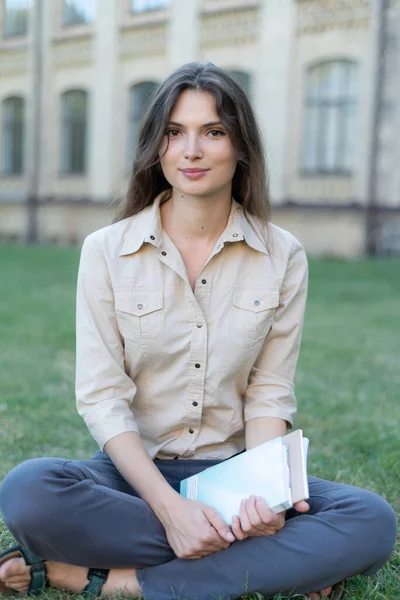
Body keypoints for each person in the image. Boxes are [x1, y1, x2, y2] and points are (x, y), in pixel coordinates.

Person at [0, 63, 396, 600]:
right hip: (132, 479)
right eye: (174, 132)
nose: (191, 151)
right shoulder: (106, 251)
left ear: (240, 147)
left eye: (213, 132)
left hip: (234, 473)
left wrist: (263, 498)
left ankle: (115, 582)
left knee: (370, 520)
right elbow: (101, 396)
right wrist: (171, 508)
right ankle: (277, 566)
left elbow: (268, 391)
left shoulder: (282, 255)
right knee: (29, 492)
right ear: (155, 148)